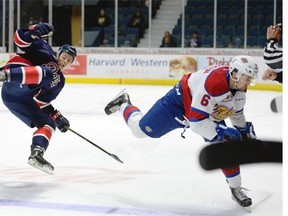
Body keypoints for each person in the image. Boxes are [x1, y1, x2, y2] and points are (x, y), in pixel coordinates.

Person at [104, 55, 259, 208]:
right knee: (139, 130)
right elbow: (196, 123)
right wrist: (223, 132)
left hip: (204, 110)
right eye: (248, 78)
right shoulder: (214, 83)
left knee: (224, 147)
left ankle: (236, 188)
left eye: (251, 79)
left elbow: (236, 112)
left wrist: (243, 130)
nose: (249, 83)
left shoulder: (238, 88)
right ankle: (124, 103)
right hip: (177, 105)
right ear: (235, 74)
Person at [0, 23, 77, 174]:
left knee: (48, 124)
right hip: (12, 80)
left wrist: (56, 116)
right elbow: (19, 39)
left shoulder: (60, 83)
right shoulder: (45, 49)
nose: (65, 62)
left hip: (16, 100)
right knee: (48, 73)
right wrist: (33, 31)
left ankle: (37, 153)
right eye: (64, 57)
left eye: (69, 61)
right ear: (59, 53)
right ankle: (3, 75)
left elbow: (41, 102)